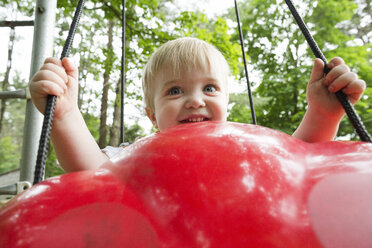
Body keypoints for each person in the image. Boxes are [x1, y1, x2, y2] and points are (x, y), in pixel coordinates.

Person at [29, 37, 366, 172]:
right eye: (174, 91)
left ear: (227, 105)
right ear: (152, 115)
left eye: (209, 88)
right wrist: (66, 116)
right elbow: (92, 172)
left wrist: (322, 113)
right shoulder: (137, 154)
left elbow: (294, 163)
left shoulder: (244, 146)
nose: (194, 100)